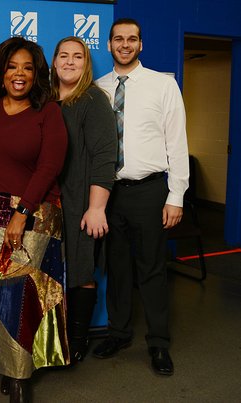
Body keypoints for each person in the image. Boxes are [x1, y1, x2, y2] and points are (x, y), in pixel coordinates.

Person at [0, 37, 69, 402]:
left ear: (37, 73)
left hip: (36, 212)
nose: (20, 74)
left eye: (27, 67)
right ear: (1, 71)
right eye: (13, 66)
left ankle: (20, 378)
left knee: (22, 295)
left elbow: (50, 166)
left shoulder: (48, 111)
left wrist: (22, 213)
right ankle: (8, 365)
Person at [91, 18, 189, 376]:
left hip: (150, 191)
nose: (125, 44)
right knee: (116, 268)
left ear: (141, 45)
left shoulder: (163, 85)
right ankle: (118, 333)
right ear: (109, 44)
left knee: (151, 269)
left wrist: (176, 195)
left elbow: (177, 141)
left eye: (132, 39)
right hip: (109, 193)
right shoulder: (98, 88)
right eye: (119, 39)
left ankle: (159, 343)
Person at [50, 36, 117, 362]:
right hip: (47, 202)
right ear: (54, 61)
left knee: (81, 271)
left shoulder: (93, 100)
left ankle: (77, 341)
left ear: (86, 63)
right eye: (64, 55)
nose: (70, 61)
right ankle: (52, 340)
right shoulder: (44, 100)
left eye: (78, 56)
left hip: (81, 201)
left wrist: (96, 207)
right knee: (49, 271)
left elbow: (105, 157)